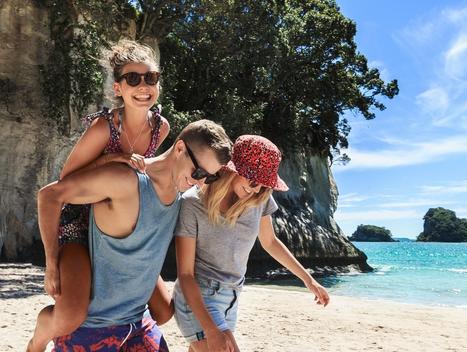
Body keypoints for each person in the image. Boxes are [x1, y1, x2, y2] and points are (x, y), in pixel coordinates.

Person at [27, 39, 173, 351]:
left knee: (163, 310)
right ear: (119, 87)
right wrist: (51, 263)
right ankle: (39, 337)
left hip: (123, 230)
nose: (143, 86)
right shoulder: (104, 127)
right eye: (133, 79)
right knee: (70, 315)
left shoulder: (161, 128)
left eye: (151, 77)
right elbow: (65, 184)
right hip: (80, 224)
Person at [38, 120, 232, 351]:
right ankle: (36, 341)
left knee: (164, 310)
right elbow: (49, 196)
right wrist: (51, 264)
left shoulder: (184, 199)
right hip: (92, 326)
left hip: (137, 324)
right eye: (198, 172)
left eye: (209, 177)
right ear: (179, 149)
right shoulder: (126, 179)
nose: (200, 182)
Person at [172, 135, 331, 352]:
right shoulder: (192, 203)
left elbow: (270, 242)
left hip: (233, 297)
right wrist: (210, 330)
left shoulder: (260, 199)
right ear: (232, 170)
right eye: (253, 181)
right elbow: (186, 275)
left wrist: (309, 280)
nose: (256, 190)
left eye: (264, 185)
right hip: (199, 296)